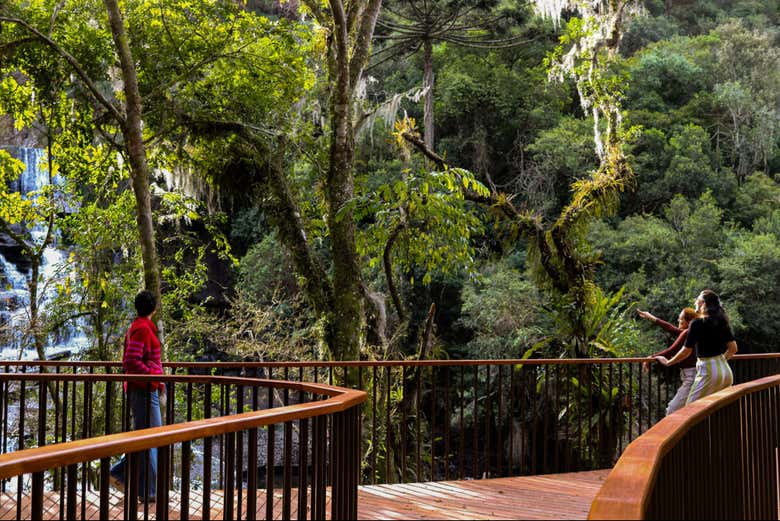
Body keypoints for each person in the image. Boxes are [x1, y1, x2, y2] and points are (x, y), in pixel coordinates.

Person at [109, 290, 163, 502]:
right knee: (151, 438)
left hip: (145, 388)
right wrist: (152, 377)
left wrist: (157, 379)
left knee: (146, 437)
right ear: (154, 309)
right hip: (143, 389)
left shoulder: (140, 327)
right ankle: (147, 491)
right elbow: (131, 360)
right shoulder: (142, 329)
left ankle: (121, 474)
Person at [654, 290, 738, 405]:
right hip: (725, 371)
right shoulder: (721, 320)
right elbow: (733, 348)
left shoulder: (697, 323)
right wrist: (720, 361)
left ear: (703, 303)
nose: (694, 303)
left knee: (691, 408)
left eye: (697, 301)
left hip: (708, 371)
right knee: (712, 409)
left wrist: (669, 362)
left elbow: (686, 351)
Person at [637, 307, 699, 415]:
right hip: (692, 375)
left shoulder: (688, 333)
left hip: (691, 377)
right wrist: (652, 318)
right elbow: (671, 328)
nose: (678, 321)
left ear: (688, 321)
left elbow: (672, 351)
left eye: (680, 319)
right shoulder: (690, 332)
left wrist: (651, 357)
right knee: (687, 410)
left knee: (672, 410)